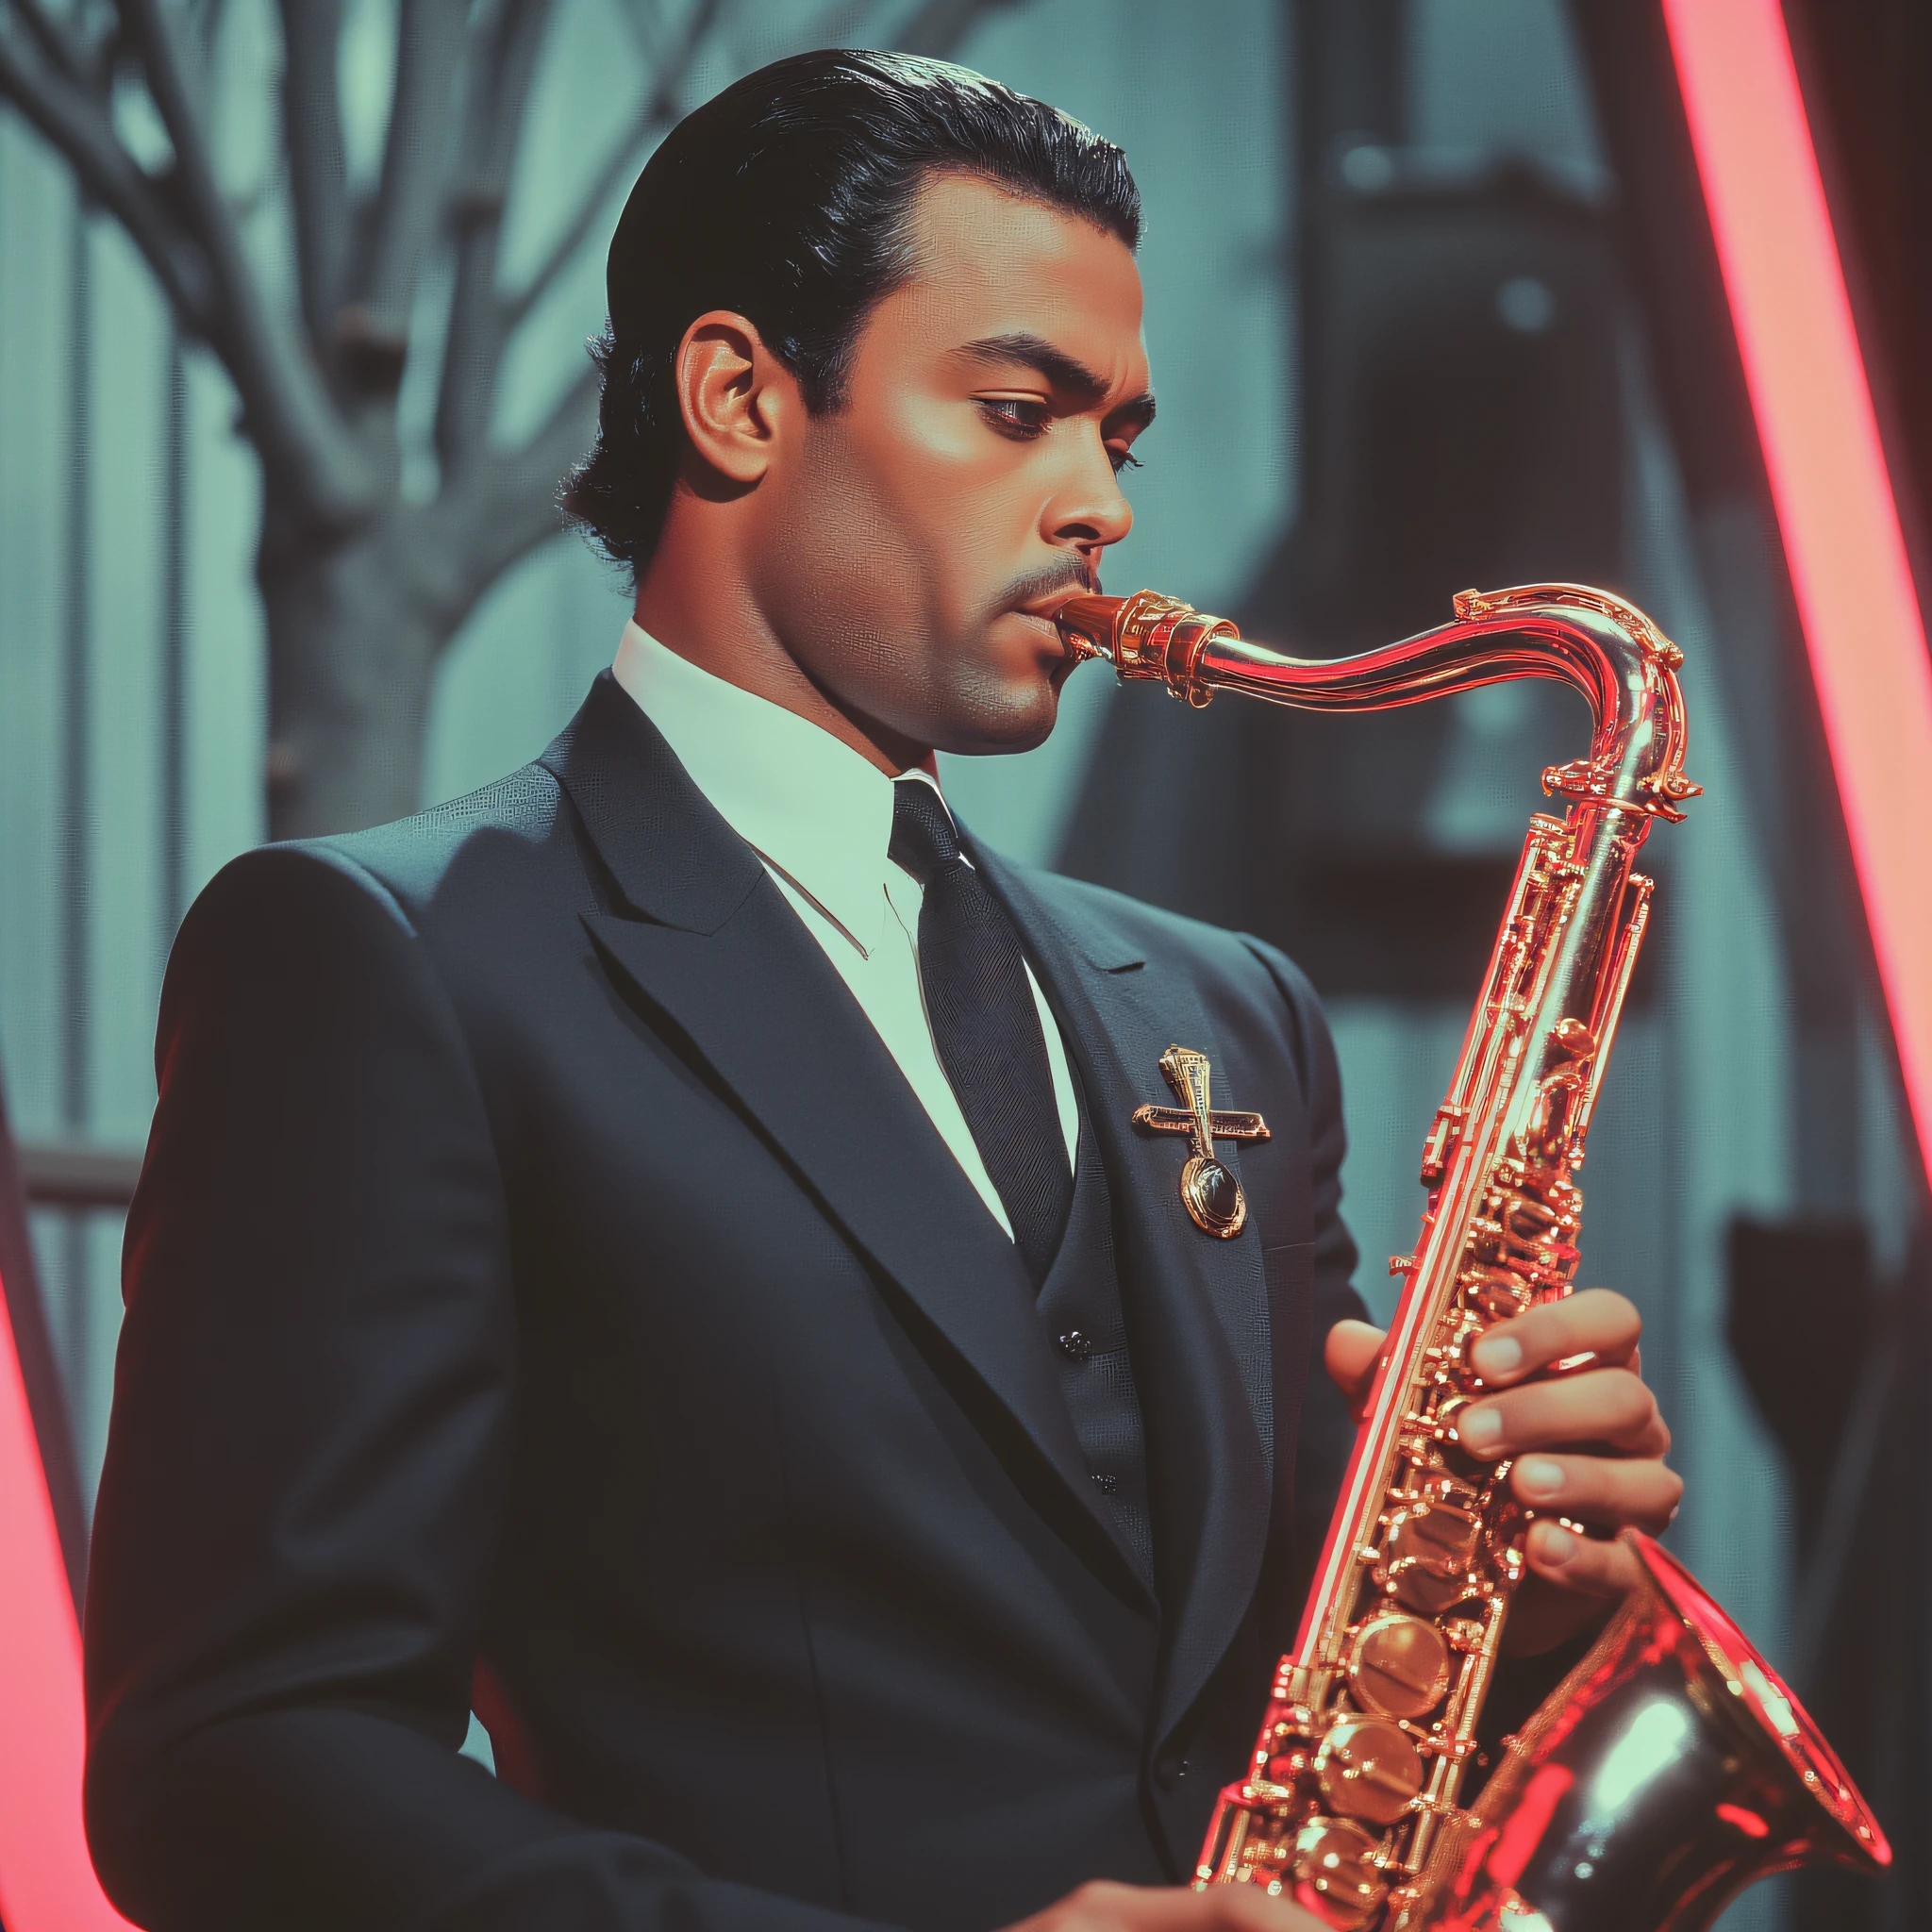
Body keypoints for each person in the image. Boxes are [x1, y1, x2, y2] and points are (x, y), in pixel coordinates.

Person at [82, 50, 1680, 1932]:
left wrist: (1531, 1571)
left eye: (1121, 438)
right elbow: (239, 1764)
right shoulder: (382, 961)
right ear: (742, 397)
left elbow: (1317, 1694)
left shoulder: (1231, 1007)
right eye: (1019, 412)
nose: (1101, 506)